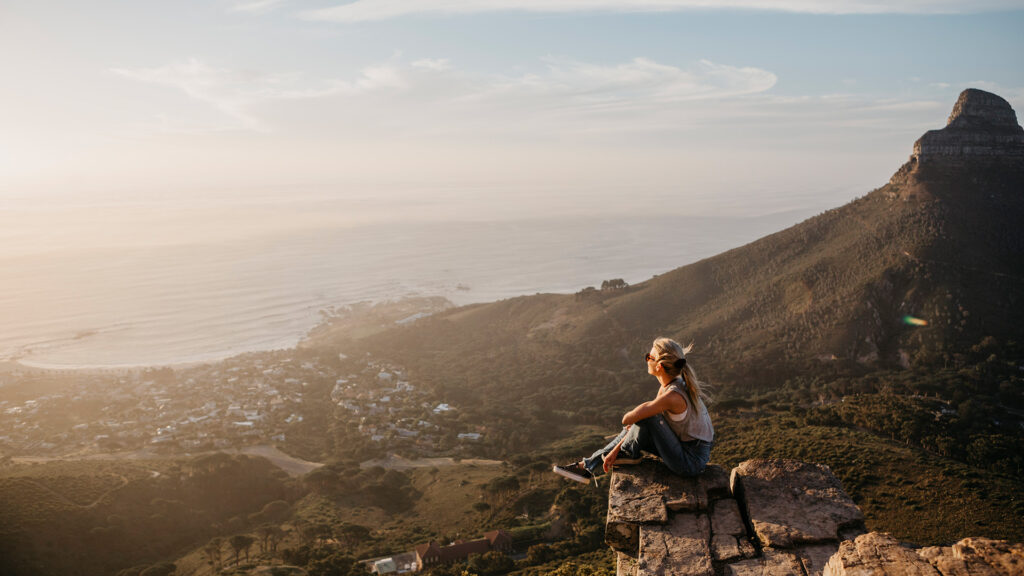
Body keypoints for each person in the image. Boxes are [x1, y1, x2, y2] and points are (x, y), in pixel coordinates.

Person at [553, 337, 714, 484]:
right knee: (642, 421)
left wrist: (643, 408)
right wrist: (614, 451)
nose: (646, 360)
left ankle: (607, 460)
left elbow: (627, 418)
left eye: (648, 357)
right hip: (685, 450)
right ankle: (587, 466)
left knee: (647, 418)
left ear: (658, 366)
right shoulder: (674, 385)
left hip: (690, 462)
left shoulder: (672, 396)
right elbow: (634, 424)